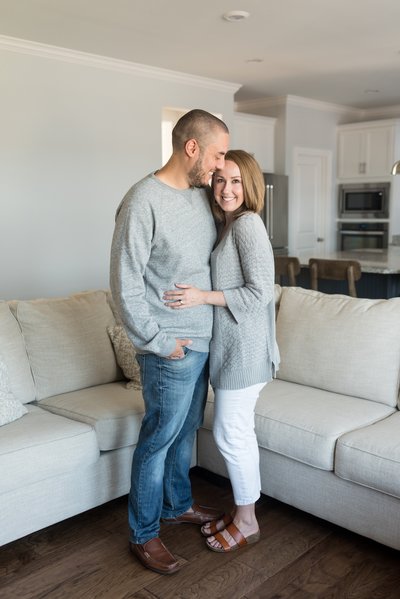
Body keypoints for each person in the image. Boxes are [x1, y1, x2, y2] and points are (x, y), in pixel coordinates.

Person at [110, 109, 230, 575]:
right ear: (192, 148)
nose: (221, 166)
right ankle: (143, 535)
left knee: (184, 433)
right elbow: (125, 283)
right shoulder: (143, 200)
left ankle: (177, 504)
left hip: (204, 341)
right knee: (157, 440)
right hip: (170, 348)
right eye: (218, 153)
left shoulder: (202, 198)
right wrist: (160, 342)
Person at [163, 149, 280, 553]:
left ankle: (248, 521)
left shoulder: (247, 225)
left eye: (235, 181)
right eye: (220, 180)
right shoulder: (228, 225)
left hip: (246, 350)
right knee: (235, 432)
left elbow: (261, 291)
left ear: (248, 185)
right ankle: (241, 511)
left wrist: (201, 297)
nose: (226, 189)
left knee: (232, 434)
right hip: (232, 348)